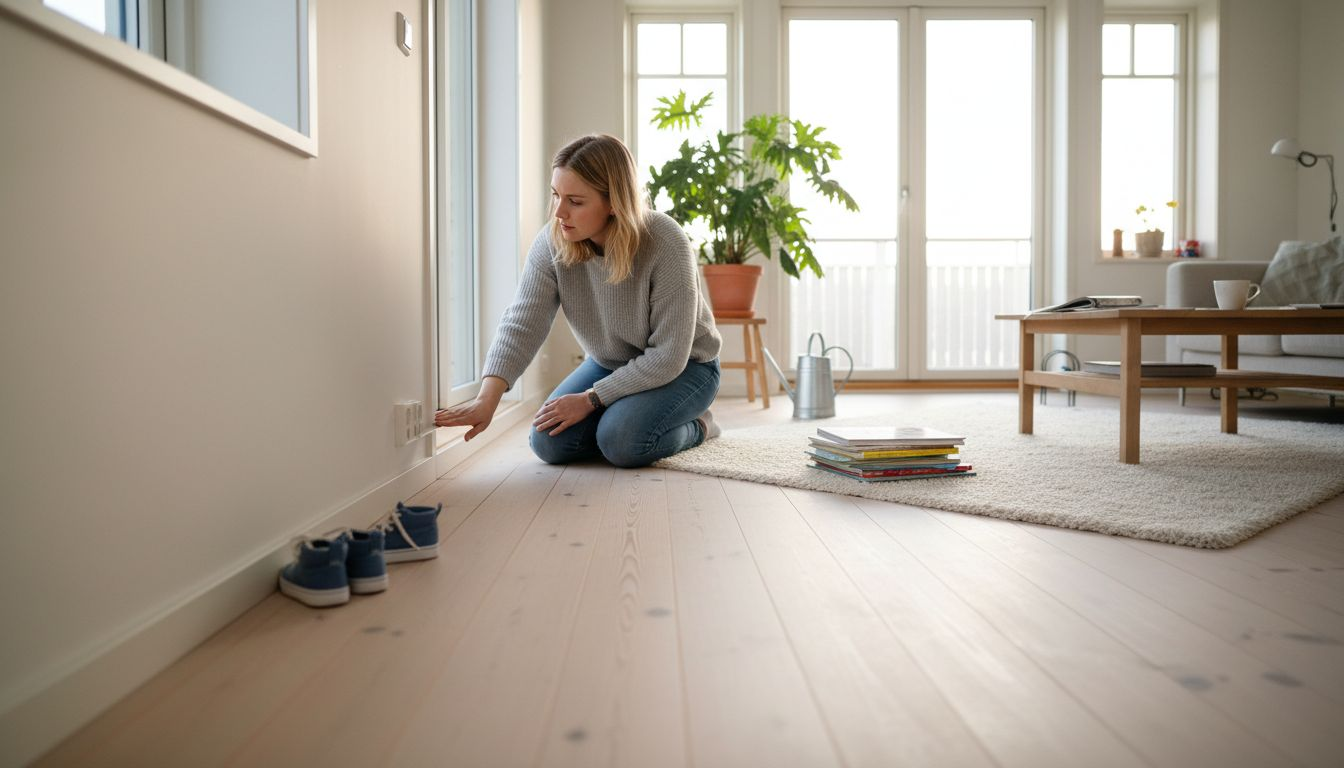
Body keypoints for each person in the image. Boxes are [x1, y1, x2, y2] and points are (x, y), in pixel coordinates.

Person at [434, 134, 723, 468]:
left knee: (622, 441)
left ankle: (700, 426)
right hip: (610, 362)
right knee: (548, 443)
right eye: (556, 195)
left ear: (614, 202)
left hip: (687, 368)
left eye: (575, 201)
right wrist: (487, 399)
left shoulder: (665, 240)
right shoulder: (552, 242)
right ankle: (623, 419)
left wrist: (592, 399)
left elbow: (668, 357)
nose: (559, 212)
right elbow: (523, 322)